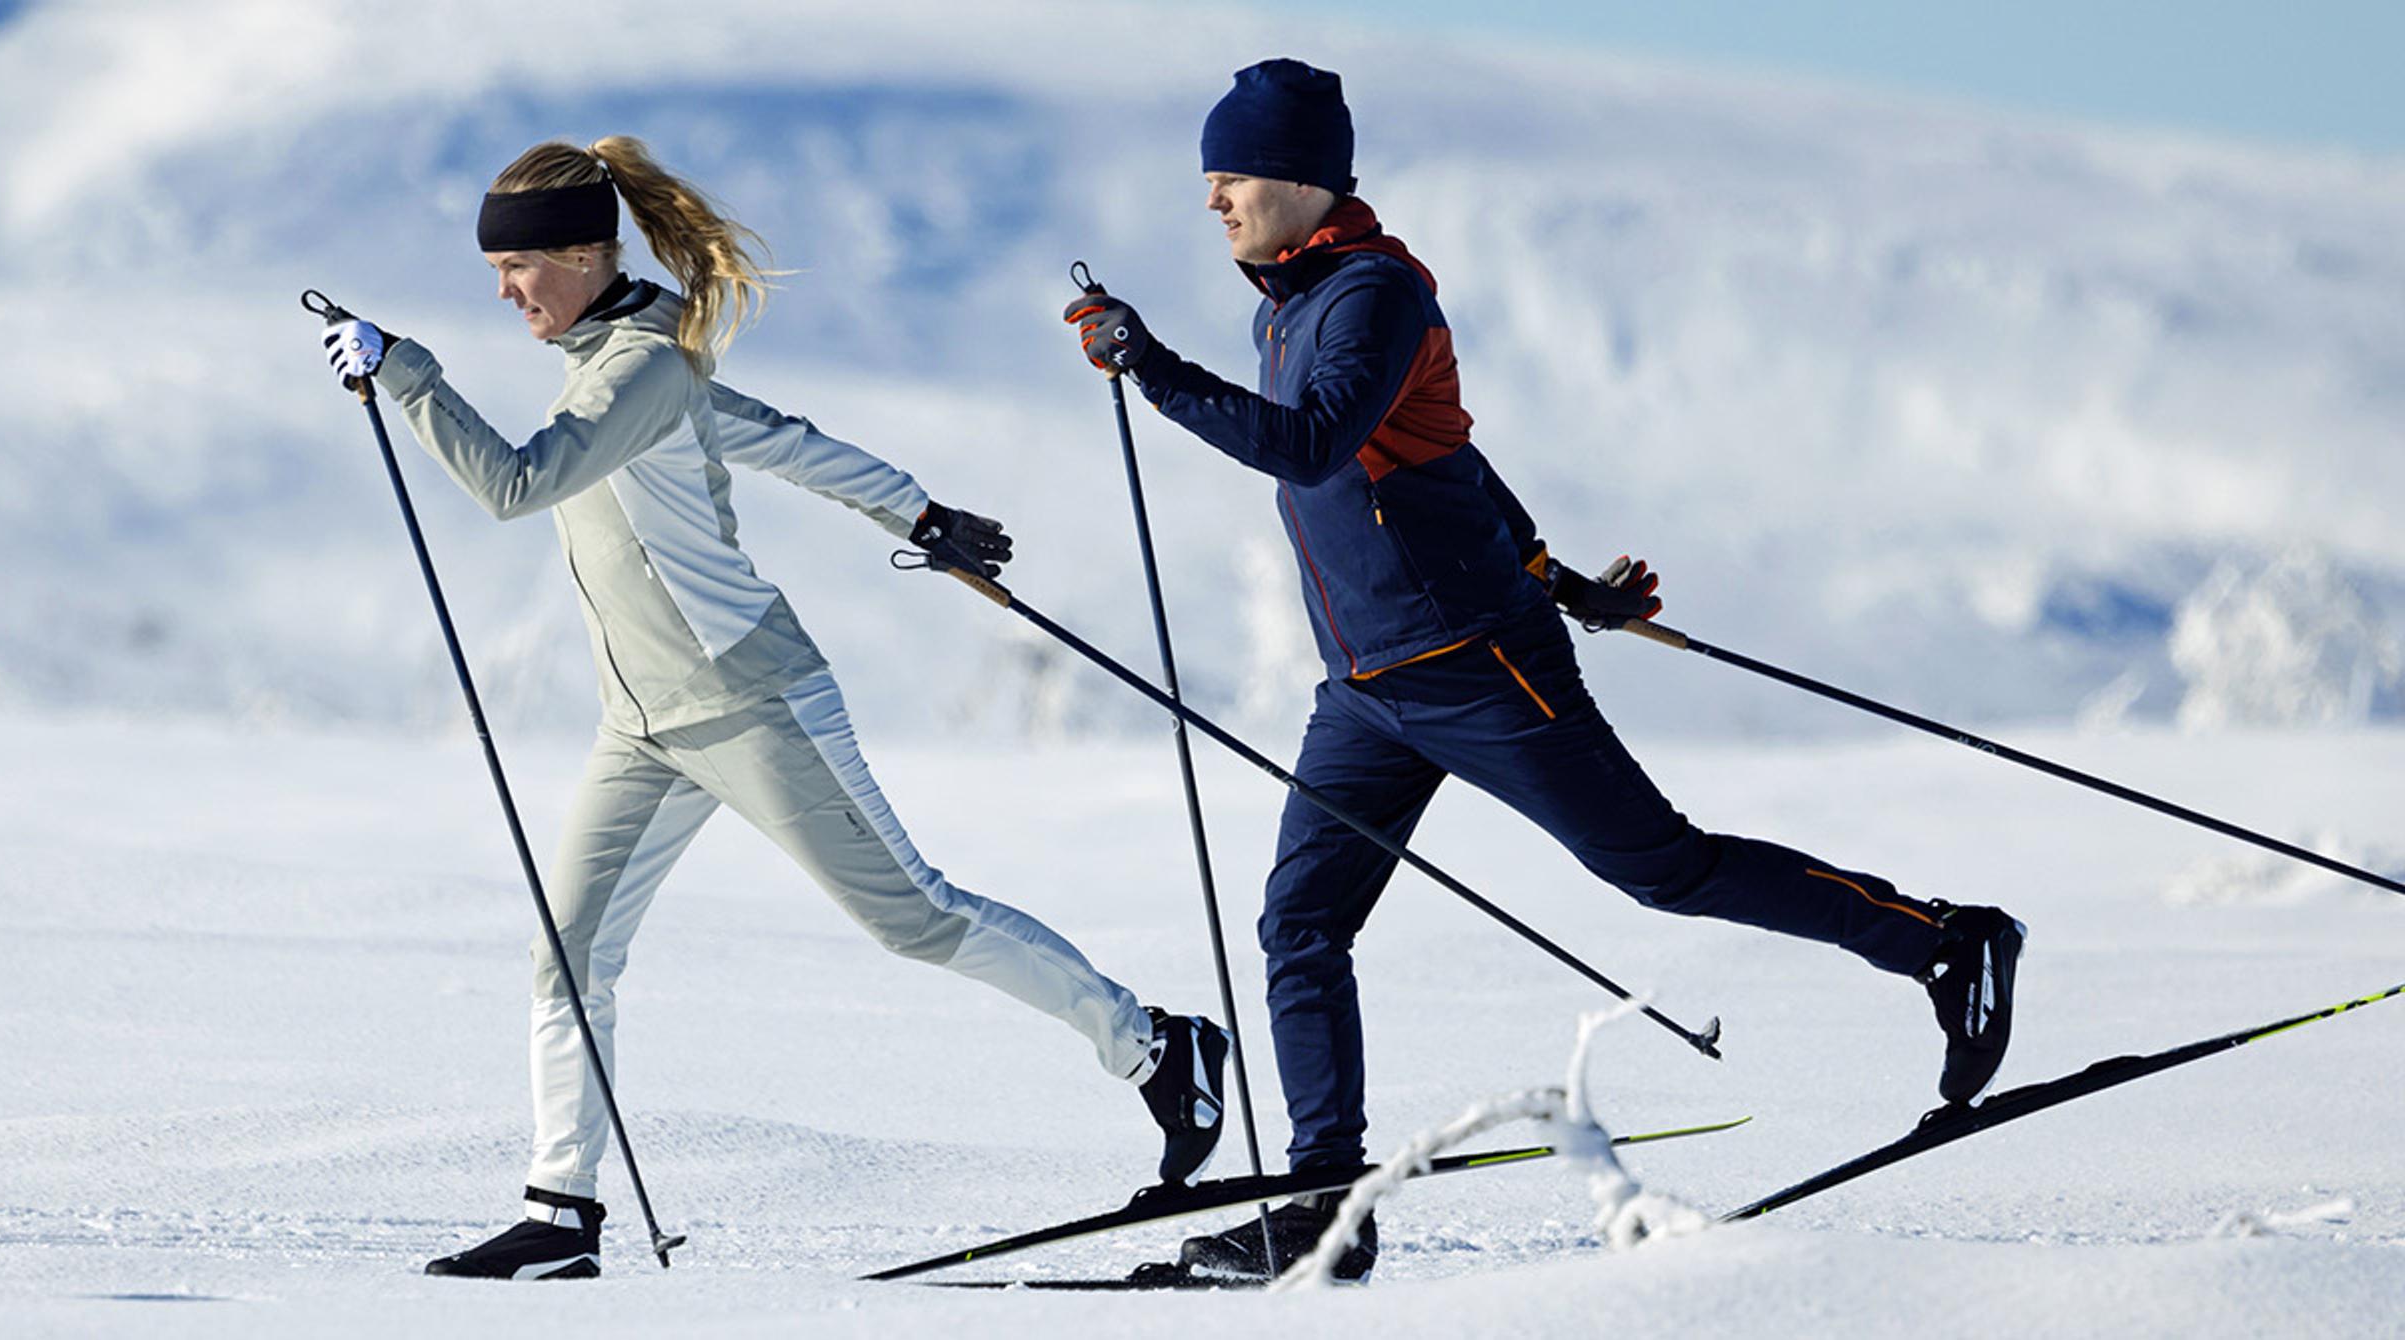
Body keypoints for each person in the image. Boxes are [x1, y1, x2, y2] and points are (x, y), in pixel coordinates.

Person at [1058, 60, 2026, 1283]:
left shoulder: (1370, 295)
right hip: (1366, 688)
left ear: (1304, 178)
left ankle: (1944, 941)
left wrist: (1150, 364)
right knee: (1301, 922)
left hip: (1475, 662)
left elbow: (1311, 449)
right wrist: (1563, 572)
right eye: (1210, 180)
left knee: (1662, 869)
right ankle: (1322, 1209)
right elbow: (1440, 452)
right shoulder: (1284, 303)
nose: (1215, 202)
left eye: (1233, 177)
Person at [322, 135, 1232, 1281]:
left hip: (755, 699)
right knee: (571, 952)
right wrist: (919, 512)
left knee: (915, 916)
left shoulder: (640, 370)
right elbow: (783, 442)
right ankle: (560, 1214)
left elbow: (517, 485)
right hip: (644, 723)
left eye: (519, 270)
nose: (505, 293)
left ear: (586, 253)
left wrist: (408, 373)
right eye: (496, 275)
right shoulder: (631, 365)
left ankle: (1157, 1045)